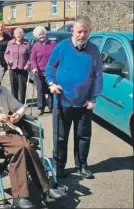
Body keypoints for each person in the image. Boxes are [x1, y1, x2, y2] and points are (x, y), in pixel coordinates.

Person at [0, 59, 63, 209]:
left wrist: (17, 115)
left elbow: (20, 106)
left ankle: (45, 191)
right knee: (20, 149)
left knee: (28, 147)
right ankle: (23, 196)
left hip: (10, 131)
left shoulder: (3, 90)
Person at [45, 16, 103, 179]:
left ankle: (82, 166)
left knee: (83, 136)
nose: (82, 35)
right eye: (79, 31)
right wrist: (51, 84)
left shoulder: (94, 50)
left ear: (89, 31)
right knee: (61, 137)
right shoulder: (61, 47)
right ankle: (59, 167)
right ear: (73, 31)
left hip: (85, 103)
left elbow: (98, 75)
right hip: (62, 101)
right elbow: (50, 67)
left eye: (85, 32)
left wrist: (94, 98)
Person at [30, 26, 56, 115]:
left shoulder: (53, 44)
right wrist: (34, 67)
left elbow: (57, 56)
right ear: (37, 36)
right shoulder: (35, 46)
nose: (41, 36)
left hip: (51, 72)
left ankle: (52, 107)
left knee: (51, 90)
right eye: (39, 35)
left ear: (45, 34)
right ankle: (40, 107)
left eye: (42, 34)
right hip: (40, 72)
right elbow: (32, 58)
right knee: (40, 90)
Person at [4, 27, 30, 103]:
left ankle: (21, 103)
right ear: (14, 35)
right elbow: (6, 53)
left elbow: (31, 55)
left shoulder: (27, 43)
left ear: (23, 35)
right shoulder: (10, 43)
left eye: (20, 34)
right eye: (17, 34)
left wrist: (28, 64)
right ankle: (14, 103)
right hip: (12, 68)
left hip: (23, 68)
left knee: (22, 87)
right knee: (13, 86)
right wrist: (8, 61)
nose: (19, 35)